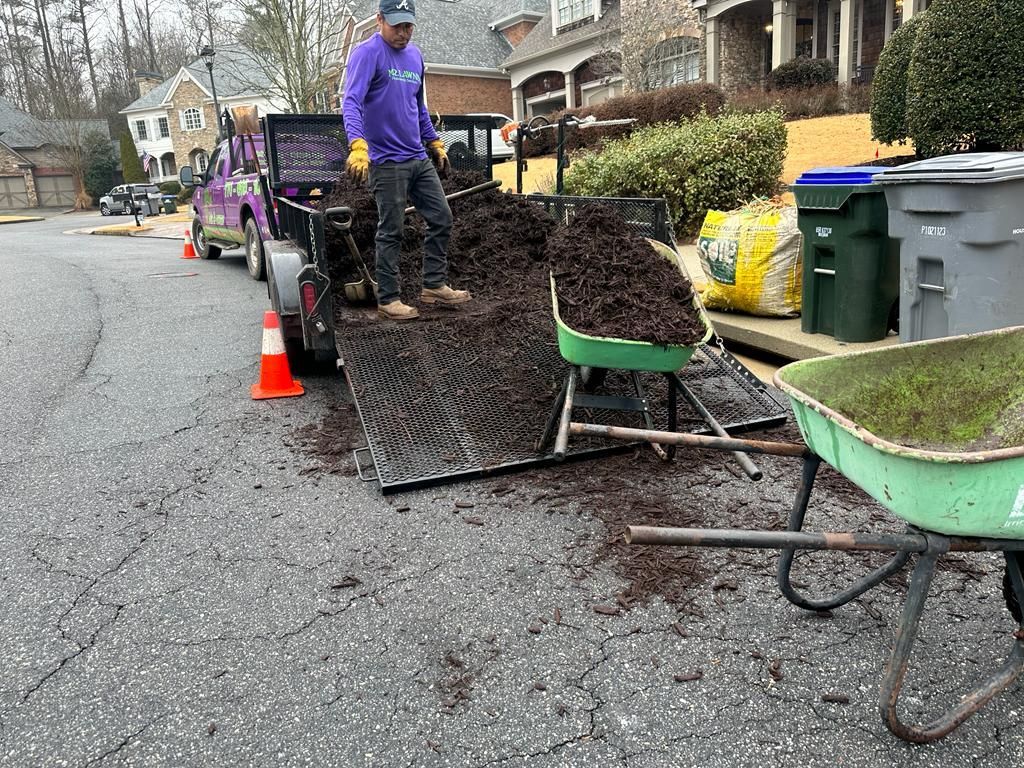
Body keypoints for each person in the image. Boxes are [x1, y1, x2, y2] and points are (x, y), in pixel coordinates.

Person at [342, 0, 470, 321]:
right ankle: (388, 298)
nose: (404, 32)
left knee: (442, 217)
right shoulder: (367, 54)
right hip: (386, 162)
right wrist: (358, 145)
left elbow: (419, 107)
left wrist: (434, 142)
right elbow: (352, 102)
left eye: (408, 25)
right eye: (397, 25)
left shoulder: (415, 57)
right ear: (380, 19)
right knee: (392, 229)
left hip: (416, 157)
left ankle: (434, 285)